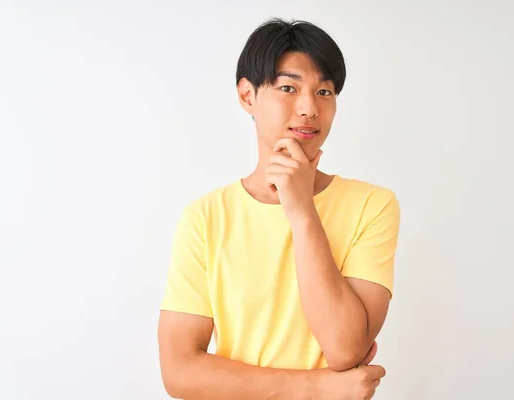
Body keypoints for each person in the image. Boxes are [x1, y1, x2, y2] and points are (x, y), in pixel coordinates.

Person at [157, 17, 401, 399]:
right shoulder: (205, 217)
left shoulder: (372, 205)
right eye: (289, 87)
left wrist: (302, 211)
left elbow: (344, 348)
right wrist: (317, 389)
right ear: (247, 96)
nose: (309, 108)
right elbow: (180, 371)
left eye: (325, 92)